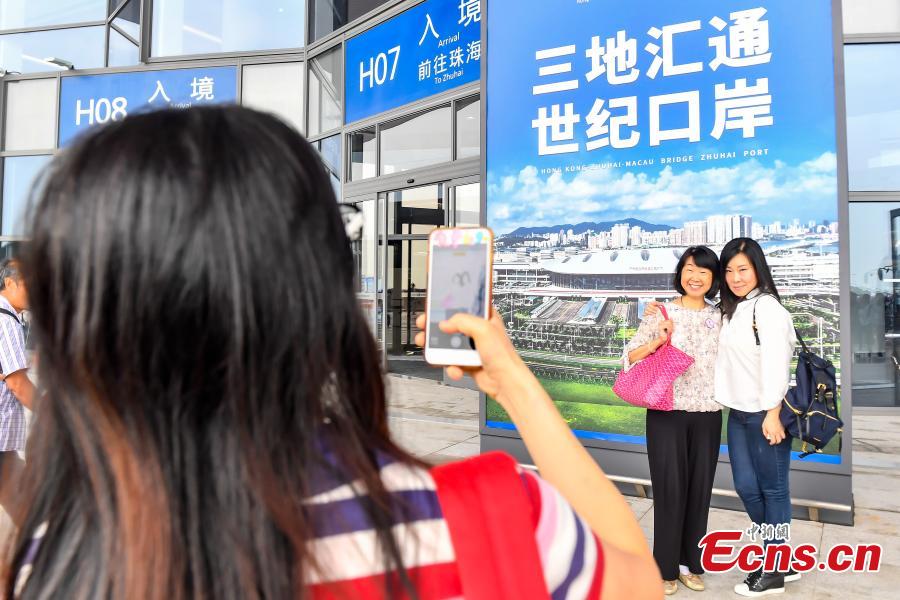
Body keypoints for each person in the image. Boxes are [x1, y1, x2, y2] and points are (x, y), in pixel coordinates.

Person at [4, 106, 661, 599]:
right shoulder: (492, 520)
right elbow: (640, 581)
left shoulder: (56, 549)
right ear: (320, 300)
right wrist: (513, 381)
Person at [624, 246, 722, 596]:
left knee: (699, 491)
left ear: (713, 279)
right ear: (681, 272)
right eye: (690, 269)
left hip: (709, 414)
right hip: (666, 413)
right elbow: (629, 357)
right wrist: (657, 340)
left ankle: (689, 565)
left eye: (704, 272)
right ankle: (664, 567)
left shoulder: (721, 316)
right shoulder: (660, 311)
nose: (695, 277)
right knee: (669, 491)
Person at [715, 238, 798, 597]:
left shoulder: (768, 309)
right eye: (729, 270)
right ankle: (782, 560)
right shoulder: (734, 309)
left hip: (765, 415)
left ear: (758, 270)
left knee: (773, 490)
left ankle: (775, 570)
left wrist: (773, 413)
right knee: (748, 489)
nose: (735, 277)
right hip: (738, 413)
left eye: (743, 269)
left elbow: (778, 364)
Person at [0, 257, 33, 524]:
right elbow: (17, 384)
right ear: (9, 283)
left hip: (5, 442)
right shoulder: (6, 319)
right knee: (26, 505)